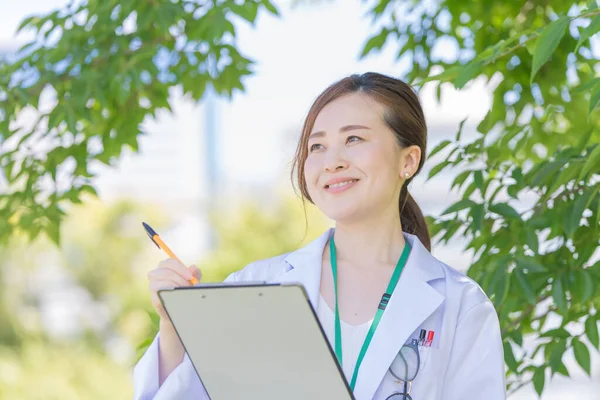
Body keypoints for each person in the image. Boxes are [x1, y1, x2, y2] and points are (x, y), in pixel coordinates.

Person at [133, 72, 506, 400]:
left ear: (408, 161)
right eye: (317, 146)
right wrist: (174, 328)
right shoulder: (253, 287)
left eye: (354, 139)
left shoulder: (460, 305)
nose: (332, 161)